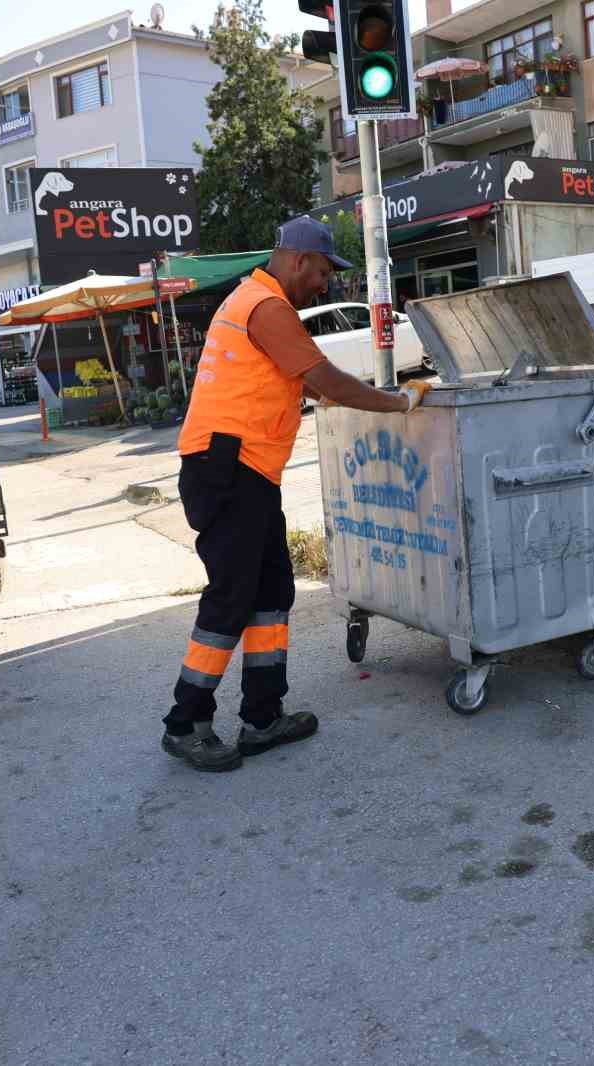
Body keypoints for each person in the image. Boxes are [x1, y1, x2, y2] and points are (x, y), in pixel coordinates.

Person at [163, 216, 432, 772]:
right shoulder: (264, 305)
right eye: (324, 271)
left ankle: (262, 717)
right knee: (231, 598)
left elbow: (302, 380)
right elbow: (324, 377)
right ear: (298, 260)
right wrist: (398, 403)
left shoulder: (258, 304)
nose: (326, 283)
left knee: (270, 593)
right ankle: (185, 722)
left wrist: (331, 396)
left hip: (248, 471)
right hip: (227, 467)